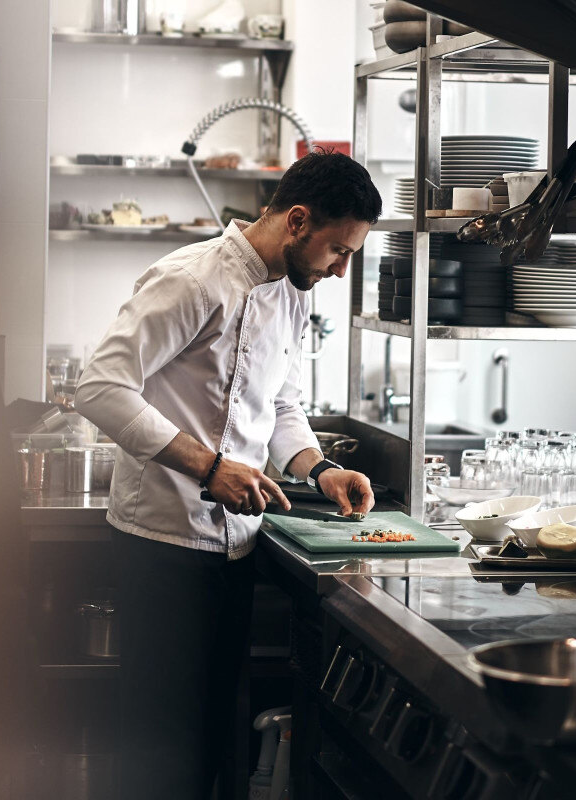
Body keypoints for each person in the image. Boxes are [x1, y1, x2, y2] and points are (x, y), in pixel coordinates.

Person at [74, 151, 382, 799]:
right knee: (160, 751)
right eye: (338, 249)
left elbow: (280, 403)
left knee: (213, 745)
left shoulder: (293, 293)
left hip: (236, 548)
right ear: (297, 221)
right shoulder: (191, 279)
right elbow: (99, 387)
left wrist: (319, 468)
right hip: (161, 543)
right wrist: (207, 467)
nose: (341, 268)